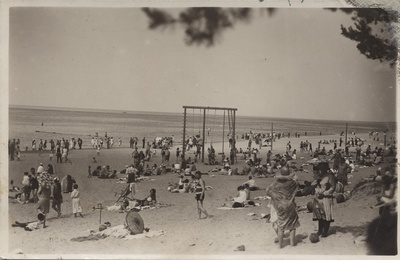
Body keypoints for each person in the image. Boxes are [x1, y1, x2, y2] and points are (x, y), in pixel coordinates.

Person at [266, 167, 300, 248]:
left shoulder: (275, 184)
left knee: (281, 226)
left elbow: (268, 190)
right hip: (290, 205)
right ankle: (292, 243)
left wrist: (275, 196)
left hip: (280, 206)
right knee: (292, 225)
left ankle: (280, 245)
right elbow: (298, 183)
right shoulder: (292, 183)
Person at [312, 168, 336, 238]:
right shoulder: (318, 176)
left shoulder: (330, 176)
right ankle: (320, 230)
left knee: (326, 214)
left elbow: (332, 187)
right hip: (318, 197)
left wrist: (325, 193)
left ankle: (325, 231)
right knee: (319, 214)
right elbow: (315, 186)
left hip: (326, 197)